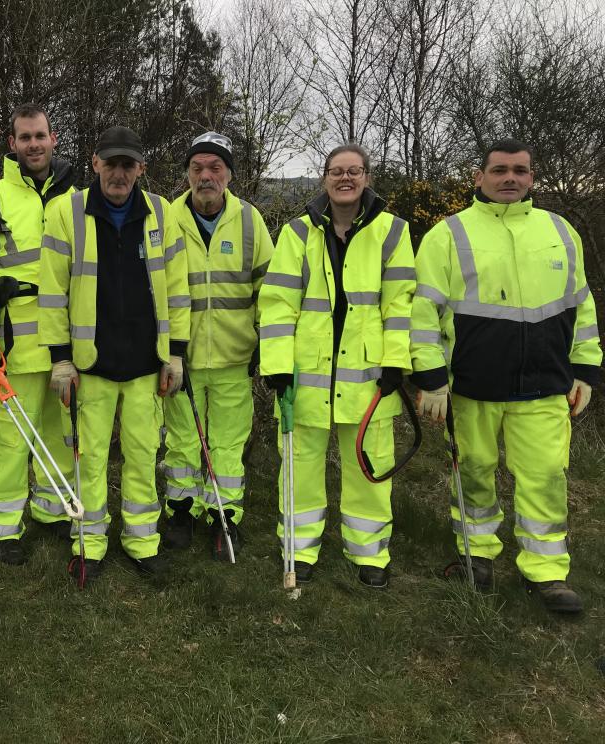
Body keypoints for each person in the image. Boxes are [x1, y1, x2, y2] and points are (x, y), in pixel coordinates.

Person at [411, 138, 602, 613]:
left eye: (519, 170)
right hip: (473, 386)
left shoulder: (559, 231)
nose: (510, 178)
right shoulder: (447, 234)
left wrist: (585, 369)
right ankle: (476, 557)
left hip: (545, 384)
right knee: (474, 474)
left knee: (544, 477)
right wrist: (432, 379)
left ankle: (547, 573)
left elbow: (580, 306)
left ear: (533, 177)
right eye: (499, 170)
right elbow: (422, 313)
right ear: (479, 177)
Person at [258, 143, 415, 588]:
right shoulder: (296, 232)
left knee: (368, 463)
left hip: (369, 376)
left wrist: (395, 364)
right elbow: (277, 304)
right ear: (324, 177)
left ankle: (369, 554)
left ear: (367, 176)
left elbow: (401, 304)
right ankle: (299, 549)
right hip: (305, 374)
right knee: (301, 464)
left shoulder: (392, 232)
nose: (345, 178)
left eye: (354, 171)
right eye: (336, 171)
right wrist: (277, 365)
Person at [38, 125, 190, 583]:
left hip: (147, 365)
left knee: (145, 456)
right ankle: (90, 543)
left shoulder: (162, 213)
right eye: (111, 162)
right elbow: (52, 291)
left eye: (128, 164)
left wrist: (176, 355)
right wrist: (60, 359)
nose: (119, 173)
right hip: (92, 365)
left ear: (141, 169)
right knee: (91, 458)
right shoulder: (66, 212)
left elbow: (179, 292)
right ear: (94, 162)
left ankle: (143, 542)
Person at [0, 103, 76, 565]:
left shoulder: (75, 199)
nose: (33, 144)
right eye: (24, 137)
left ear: (53, 139)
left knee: (61, 430)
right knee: (10, 439)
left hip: (66, 345)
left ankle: (52, 509)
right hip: (13, 347)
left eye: (40, 136)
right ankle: (3, 525)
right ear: (12, 143)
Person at [160, 132, 273, 558]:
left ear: (229, 173)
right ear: (187, 173)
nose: (205, 176)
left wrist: (268, 343)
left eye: (215, 168)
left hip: (233, 357)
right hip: (179, 358)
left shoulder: (250, 221)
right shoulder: (167, 219)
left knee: (226, 443)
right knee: (182, 440)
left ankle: (225, 516)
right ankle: (181, 512)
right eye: (197, 168)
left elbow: (270, 288)